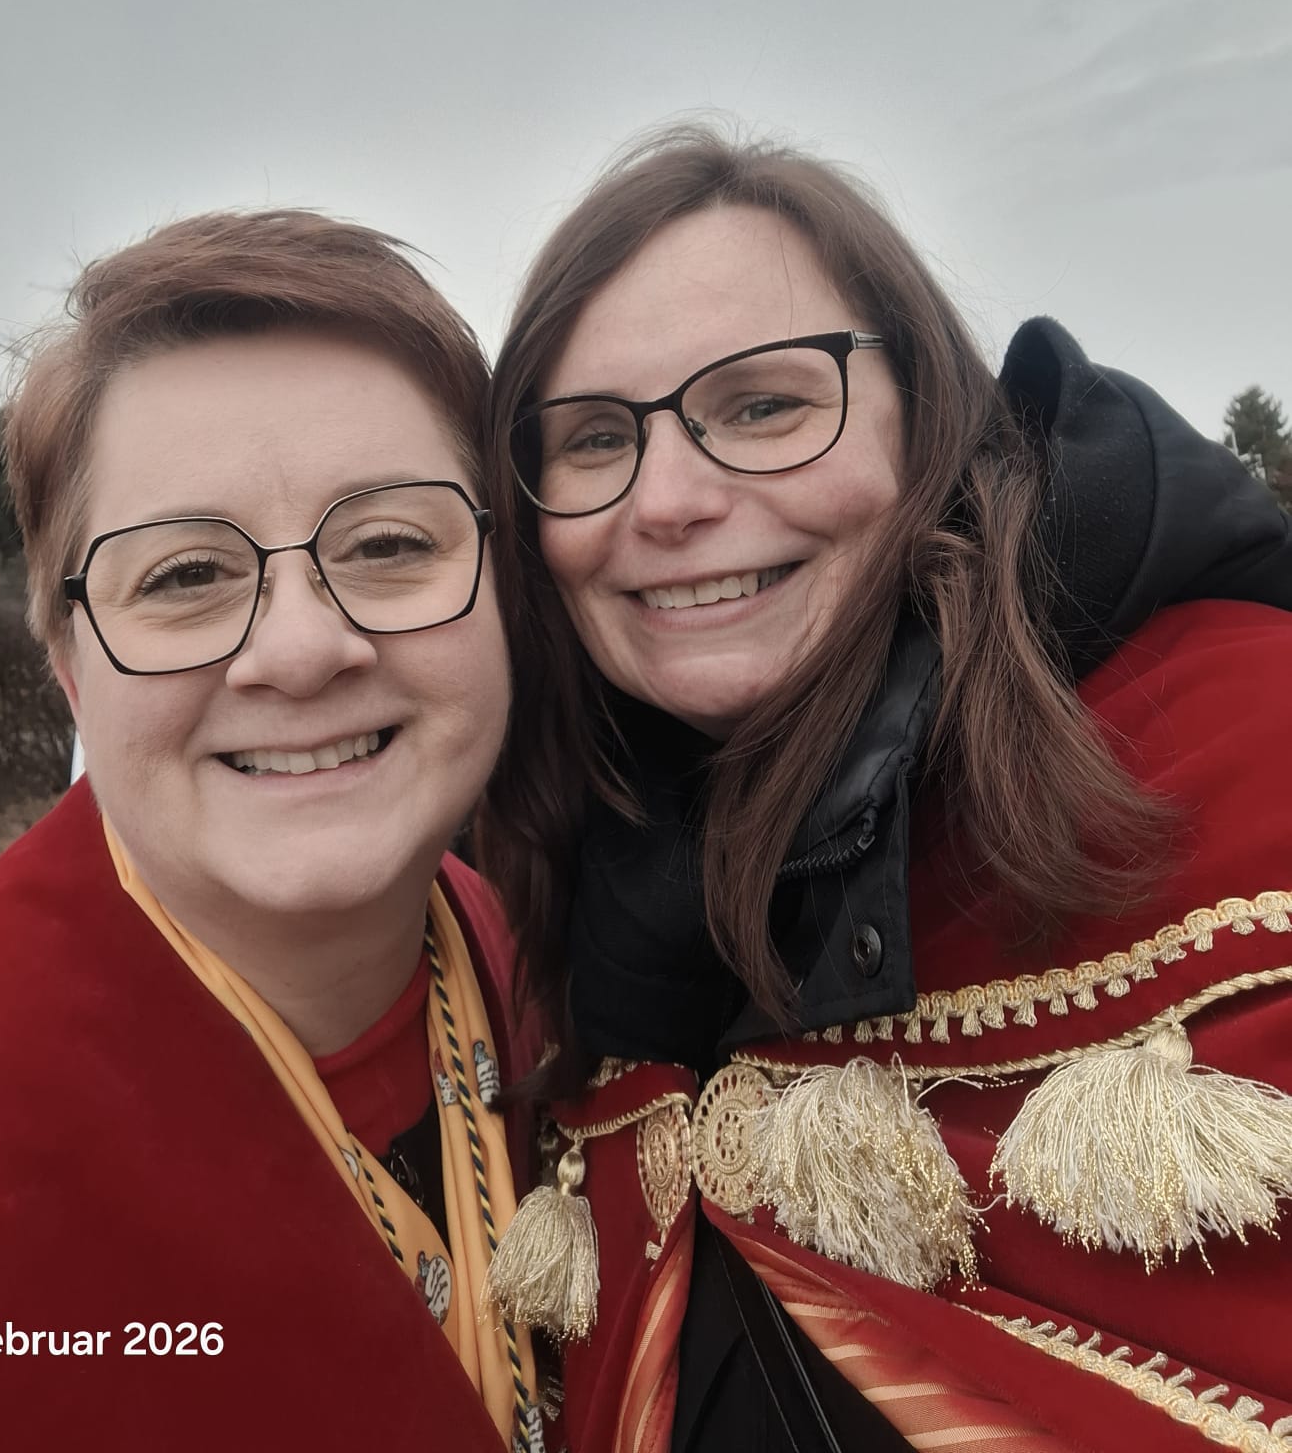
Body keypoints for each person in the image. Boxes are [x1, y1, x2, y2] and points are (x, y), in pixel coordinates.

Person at [477, 124, 1292, 1453]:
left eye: (764, 405)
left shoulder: (1247, 737)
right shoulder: (552, 895)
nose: (668, 500)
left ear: (927, 414)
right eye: (591, 438)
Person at [0, 210, 551, 1453]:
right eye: (186, 574)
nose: (301, 648)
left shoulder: (571, 987)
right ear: (70, 666)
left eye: (390, 542)